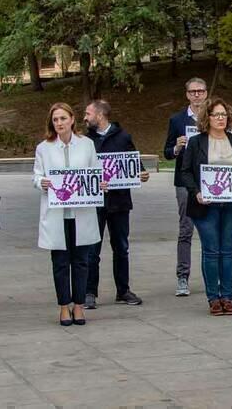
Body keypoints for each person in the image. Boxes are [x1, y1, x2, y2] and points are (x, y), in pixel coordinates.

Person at [33, 102, 108, 326]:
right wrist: (42, 182)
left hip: (81, 212)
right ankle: (64, 306)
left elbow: (96, 171)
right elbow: (36, 176)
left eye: (63, 119)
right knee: (60, 262)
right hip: (57, 213)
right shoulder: (43, 148)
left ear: (72, 119)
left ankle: (79, 305)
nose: (59, 123)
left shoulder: (86, 145)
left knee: (82, 261)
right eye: (55, 120)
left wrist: (100, 184)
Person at [180, 97, 232, 315]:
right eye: (216, 115)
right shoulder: (196, 142)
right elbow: (185, 172)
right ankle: (214, 298)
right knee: (211, 251)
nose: (221, 119)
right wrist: (196, 192)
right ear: (207, 118)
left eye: (224, 115)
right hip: (206, 206)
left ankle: (228, 297)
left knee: (228, 250)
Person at [83, 99, 148, 308]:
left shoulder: (123, 137)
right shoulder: (85, 141)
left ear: (100, 115)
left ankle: (123, 290)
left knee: (121, 247)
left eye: (88, 114)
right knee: (92, 249)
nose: (85, 118)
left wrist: (142, 173)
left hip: (119, 202)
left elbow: (134, 164)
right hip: (95, 203)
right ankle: (89, 292)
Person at [163, 77, 207, 297]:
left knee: (210, 229)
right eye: (193, 92)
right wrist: (177, 147)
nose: (197, 95)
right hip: (184, 181)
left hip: (210, 181)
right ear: (187, 94)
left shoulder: (216, 117)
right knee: (185, 229)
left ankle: (212, 275)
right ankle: (183, 276)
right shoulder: (177, 120)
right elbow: (167, 153)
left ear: (206, 93)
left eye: (200, 91)